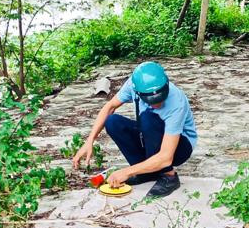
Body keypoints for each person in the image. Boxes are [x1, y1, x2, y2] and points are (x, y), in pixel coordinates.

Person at [72, 61, 197, 197]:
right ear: (138, 92)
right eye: (151, 100)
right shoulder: (133, 84)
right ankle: (147, 173)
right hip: (151, 136)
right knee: (113, 122)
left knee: (149, 118)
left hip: (180, 147)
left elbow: (166, 157)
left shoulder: (176, 102)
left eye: (160, 98)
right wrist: (89, 141)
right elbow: (110, 107)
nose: (157, 103)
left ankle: (169, 177)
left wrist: (127, 172)